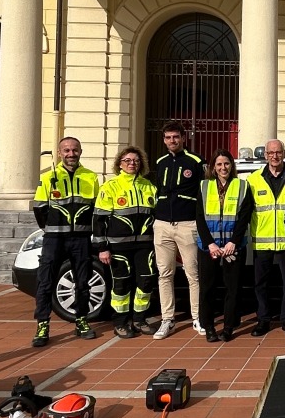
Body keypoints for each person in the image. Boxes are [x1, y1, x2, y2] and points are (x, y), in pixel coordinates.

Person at [31, 137, 98, 347]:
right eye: (66, 150)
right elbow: (39, 208)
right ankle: (42, 325)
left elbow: (96, 208)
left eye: (74, 150)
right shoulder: (49, 177)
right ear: (60, 153)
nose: (71, 154)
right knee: (45, 283)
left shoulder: (91, 177)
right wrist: (50, 228)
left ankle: (81, 320)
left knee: (83, 282)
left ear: (80, 151)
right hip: (54, 239)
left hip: (81, 238)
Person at [93, 146, 158, 340]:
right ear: (119, 164)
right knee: (121, 285)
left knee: (146, 281)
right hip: (118, 246)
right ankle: (120, 323)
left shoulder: (149, 186)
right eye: (127, 160)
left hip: (145, 245)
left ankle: (139, 320)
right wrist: (102, 248)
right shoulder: (110, 186)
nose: (132, 164)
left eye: (136, 161)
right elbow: (99, 220)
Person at [151, 121, 207, 340]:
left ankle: (197, 317)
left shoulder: (196, 161)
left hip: (187, 224)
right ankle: (167, 319)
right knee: (164, 274)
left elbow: (204, 193)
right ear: (164, 140)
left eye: (175, 137)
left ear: (183, 138)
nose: (172, 141)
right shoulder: (160, 162)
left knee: (193, 273)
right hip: (163, 225)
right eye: (168, 137)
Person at [195, 150, 253, 343]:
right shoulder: (204, 186)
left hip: (232, 246)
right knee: (207, 288)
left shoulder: (242, 186)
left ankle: (228, 327)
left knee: (233, 288)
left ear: (232, 165)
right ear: (213, 167)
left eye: (226, 163)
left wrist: (233, 242)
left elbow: (244, 217)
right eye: (219, 164)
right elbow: (199, 217)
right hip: (209, 246)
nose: (223, 168)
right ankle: (209, 327)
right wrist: (209, 243)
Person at [248, 139, 285, 337]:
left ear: (284, 154)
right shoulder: (253, 179)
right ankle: (263, 320)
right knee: (261, 284)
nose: (274, 156)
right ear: (265, 155)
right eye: (271, 153)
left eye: (278, 152)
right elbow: (246, 211)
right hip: (262, 241)